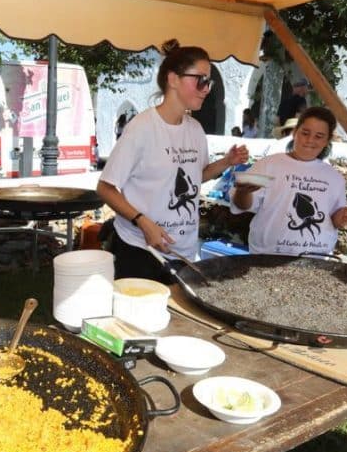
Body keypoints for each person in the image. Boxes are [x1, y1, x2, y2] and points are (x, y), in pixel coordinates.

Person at [97, 39, 249, 280]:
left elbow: (194, 177)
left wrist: (226, 162)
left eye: (208, 82)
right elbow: (105, 188)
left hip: (183, 250)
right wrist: (143, 222)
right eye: (200, 80)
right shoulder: (142, 128)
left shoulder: (195, 129)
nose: (207, 88)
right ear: (173, 79)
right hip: (140, 249)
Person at [231, 107, 347, 255]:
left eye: (319, 136)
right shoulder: (269, 165)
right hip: (267, 260)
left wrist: (342, 218)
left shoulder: (334, 177)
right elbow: (241, 205)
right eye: (305, 133)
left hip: (316, 262)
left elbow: (333, 220)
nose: (310, 140)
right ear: (295, 132)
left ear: (327, 141)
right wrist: (242, 192)